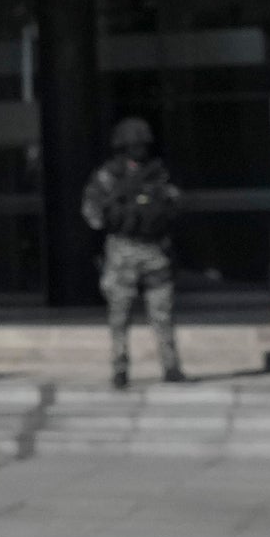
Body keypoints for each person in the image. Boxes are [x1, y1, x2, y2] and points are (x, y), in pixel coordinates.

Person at [78, 115, 184, 389]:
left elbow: (174, 207)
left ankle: (166, 366)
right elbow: (93, 214)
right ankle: (124, 367)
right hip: (128, 248)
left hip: (146, 249)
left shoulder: (156, 174)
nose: (139, 150)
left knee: (156, 312)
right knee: (123, 314)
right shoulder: (111, 176)